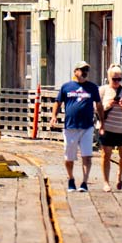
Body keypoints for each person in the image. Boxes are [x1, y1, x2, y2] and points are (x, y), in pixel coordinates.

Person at [50, 61, 100, 191]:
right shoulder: (66, 87)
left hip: (87, 126)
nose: (84, 73)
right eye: (82, 70)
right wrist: (54, 116)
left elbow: (99, 105)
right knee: (69, 157)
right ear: (75, 72)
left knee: (87, 156)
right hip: (70, 127)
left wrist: (102, 121)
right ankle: (71, 179)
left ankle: (84, 182)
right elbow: (58, 102)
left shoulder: (92, 88)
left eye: (86, 71)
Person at [98, 65, 122, 191]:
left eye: (119, 79)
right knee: (106, 155)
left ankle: (119, 175)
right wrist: (107, 105)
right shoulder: (102, 90)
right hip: (107, 127)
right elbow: (95, 108)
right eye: (114, 79)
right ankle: (106, 182)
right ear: (109, 78)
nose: (117, 82)